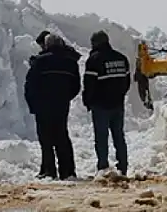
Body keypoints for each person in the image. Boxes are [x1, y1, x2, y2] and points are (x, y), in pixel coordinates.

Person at [23, 33, 81, 180]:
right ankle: (68, 171)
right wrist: (65, 97)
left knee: (45, 138)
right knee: (62, 136)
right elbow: (76, 86)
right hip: (61, 105)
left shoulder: (40, 62)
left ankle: (48, 170)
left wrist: (34, 104)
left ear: (47, 45)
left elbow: (30, 85)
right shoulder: (70, 62)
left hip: (43, 106)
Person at [82, 30, 131, 176]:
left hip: (101, 105)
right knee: (119, 136)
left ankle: (103, 167)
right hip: (118, 104)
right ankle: (123, 166)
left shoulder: (94, 60)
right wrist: (119, 95)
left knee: (101, 138)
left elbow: (89, 85)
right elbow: (126, 82)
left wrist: (88, 101)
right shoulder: (122, 58)